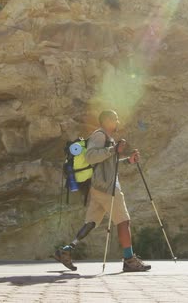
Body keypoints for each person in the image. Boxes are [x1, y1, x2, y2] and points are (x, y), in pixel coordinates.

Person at [54, 110, 151, 272]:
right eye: (115, 118)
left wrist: (128, 160)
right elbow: (91, 157)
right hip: (107, 187)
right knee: (123, 221)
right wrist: (114, 150)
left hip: (99, 186)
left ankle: (65, 250)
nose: (118, 121)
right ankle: (129, 260)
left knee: (91, 223)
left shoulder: (106, 138)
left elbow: (108, 163)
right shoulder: (99, 136)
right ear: (107, 120)